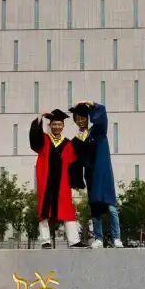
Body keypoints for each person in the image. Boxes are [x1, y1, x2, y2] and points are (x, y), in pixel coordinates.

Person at [69, 100, 123, 248]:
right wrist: (76, 181)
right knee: (95, 206)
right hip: (91, 175)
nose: (80, 121)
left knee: (111, 206)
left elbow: (102, 113)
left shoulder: (98, 130)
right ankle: (98, 238)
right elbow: (74, 161)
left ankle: (116, 238)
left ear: (88, 118)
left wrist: (90, 103)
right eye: (77, 119)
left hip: (103, 172)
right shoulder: (78, 139)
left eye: (82, 118)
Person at [30, 109, 85, 249]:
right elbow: (34, 138)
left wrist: (76, 183)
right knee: (44, 211)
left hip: (62, 183)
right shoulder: (43, 140)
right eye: (54, 124)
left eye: (59, 124)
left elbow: (74, 163)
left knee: (67, 209)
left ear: (63, 126)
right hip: (46, 182)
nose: (57, 127)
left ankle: (74, 241)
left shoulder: (68, 144)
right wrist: (39, 117)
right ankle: (45, 241)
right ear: (50, 125)